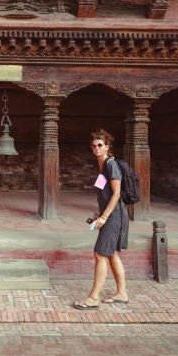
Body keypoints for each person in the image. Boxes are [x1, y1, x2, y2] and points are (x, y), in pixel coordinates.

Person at [74, 129, 129, 310]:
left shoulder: (110, 165)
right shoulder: (101, 166)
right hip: (108, 214)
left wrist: (105, 217)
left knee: (100, 254)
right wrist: (98, 214)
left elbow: (116, 193)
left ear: (107, 147)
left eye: (100, 145)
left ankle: (94, 297)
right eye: (94, 145)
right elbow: (103, 195)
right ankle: (121, 293)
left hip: (114, 215)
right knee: (110, 253)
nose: (97, 148)